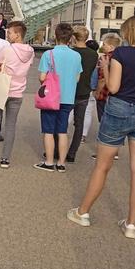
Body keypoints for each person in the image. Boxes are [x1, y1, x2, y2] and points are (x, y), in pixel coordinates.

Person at [68, 15, 135, 239]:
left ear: (130, 31)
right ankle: (131, 225)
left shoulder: (122, 53)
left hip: (119, 109)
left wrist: (106, 68)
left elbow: (114, 87)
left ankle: (83, 212)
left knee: (102, 166)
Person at [0, 21, 34, 168]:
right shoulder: (30, 51)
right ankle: (5, 159)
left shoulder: (7, 50)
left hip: (3, 89)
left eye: (10, 32)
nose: (8, 34)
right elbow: (27, 67)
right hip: (18, 91)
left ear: (17, 34)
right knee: (11, 125)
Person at [34, 23, 82, 173]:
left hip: (51, 97)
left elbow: (42, 77)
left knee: (48, 130)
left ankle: (49, 162)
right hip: (68, 97)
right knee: (63, 131)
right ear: (70, 38)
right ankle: (61, 163)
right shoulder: (76, 55)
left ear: (55, 36)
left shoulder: (49, 54)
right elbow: (77, 78)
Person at [65, 26, 99, 163]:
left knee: (62, 121)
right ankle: (72, 153)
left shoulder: (71, 53)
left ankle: (57, 150)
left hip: (69, 91)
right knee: (79, 124)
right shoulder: (93, 54)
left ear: (73, 37)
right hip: (84, 91)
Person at [94, 32, 122, 122]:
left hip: (104, 94)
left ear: (111, 46)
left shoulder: (104, 58)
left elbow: (102, 79)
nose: (102, 46)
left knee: (102, 121)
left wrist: (97, 92)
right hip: (118, 96)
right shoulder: (122, 57)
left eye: (104, 44)